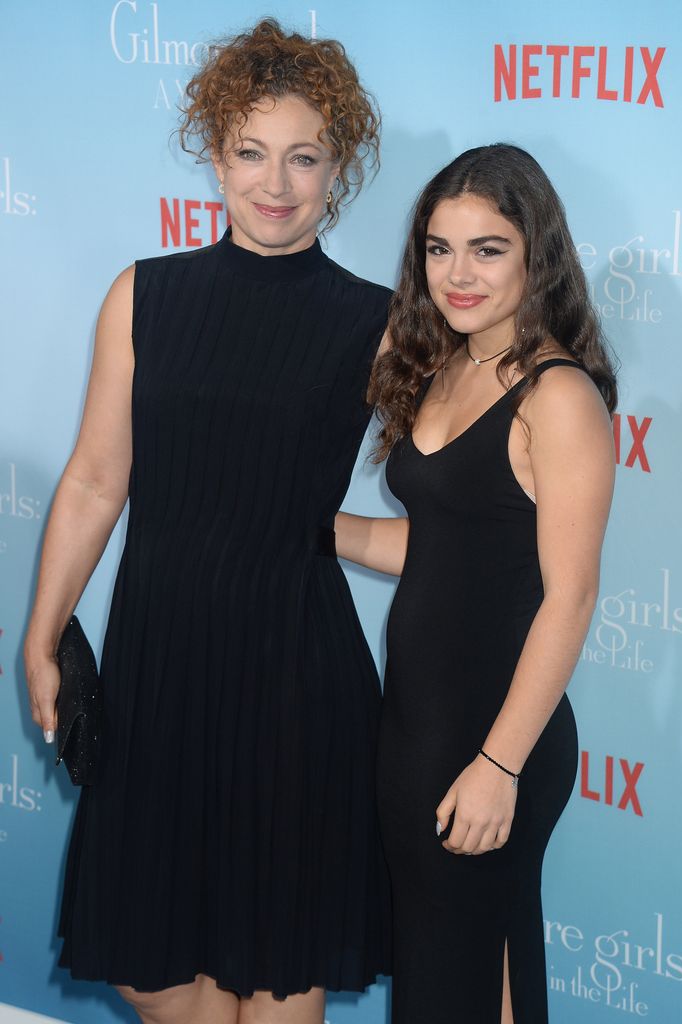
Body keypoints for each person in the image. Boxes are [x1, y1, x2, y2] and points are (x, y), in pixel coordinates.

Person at [24, 19, 391, 1024]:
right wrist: (41, 631)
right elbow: (98, 478)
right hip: (158, 676)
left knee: (276, 969)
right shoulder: (143, 296)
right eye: (250, 152)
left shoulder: (381, 321)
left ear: (337, 167)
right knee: (152, 964)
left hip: (296, 688)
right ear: (214, 151)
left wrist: (347, 534)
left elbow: (467, 499)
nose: (275, 182)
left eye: (304, 157)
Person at [335, 143, 617, 1023]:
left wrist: (500, 763)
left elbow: (569, 598)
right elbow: (443, 551)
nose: (458, 274)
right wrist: (310, 531)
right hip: (417, 723)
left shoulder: (557, 395)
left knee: (459, 977)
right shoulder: (444, 366)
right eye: (438, 248)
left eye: (487, 249)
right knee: (449, 975)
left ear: (536, 253)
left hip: (497, 736)